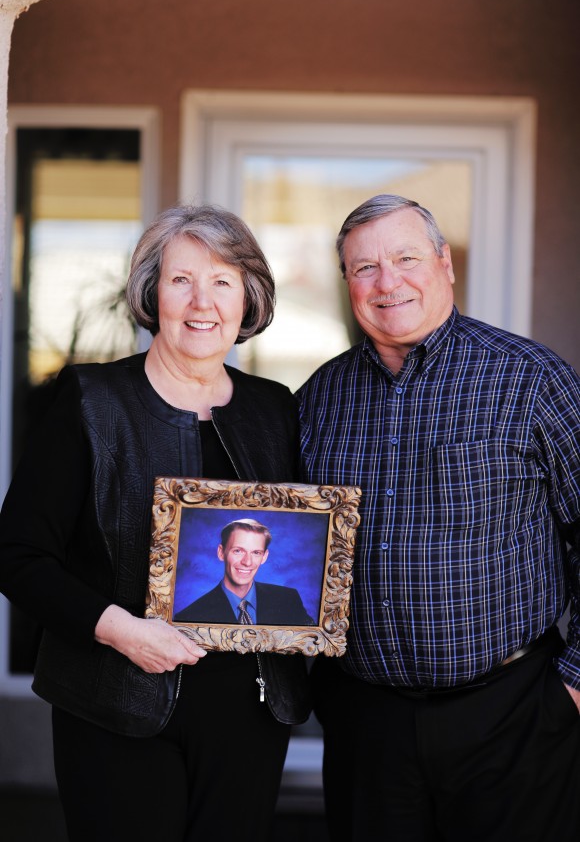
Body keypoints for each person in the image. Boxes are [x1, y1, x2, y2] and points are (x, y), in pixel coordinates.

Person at [0, 204, 311, 842]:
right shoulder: (90, 401)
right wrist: (121, 632)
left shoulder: (274, 409)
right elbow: (17, 555)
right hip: (117, 702)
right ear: (151, 293)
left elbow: (299, 550)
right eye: (181, 280)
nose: (203, 302)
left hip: (249, 712)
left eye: (223, 281)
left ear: (248, 298)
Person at [297, 194, 580, 842]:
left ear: (445, 264)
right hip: (369, 726)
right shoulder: (319, 399)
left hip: (512, 716)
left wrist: (573, 687)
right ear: (347, 283)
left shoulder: (531, 380)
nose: (387, 281)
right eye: (364, 267)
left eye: (405, 258)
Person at [175, 517, 314, 625]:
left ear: (264, 557)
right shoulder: (189, 616)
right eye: (238, 551)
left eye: (256, 553)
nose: (247, 562)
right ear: (221, 552)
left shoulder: (289, 600)